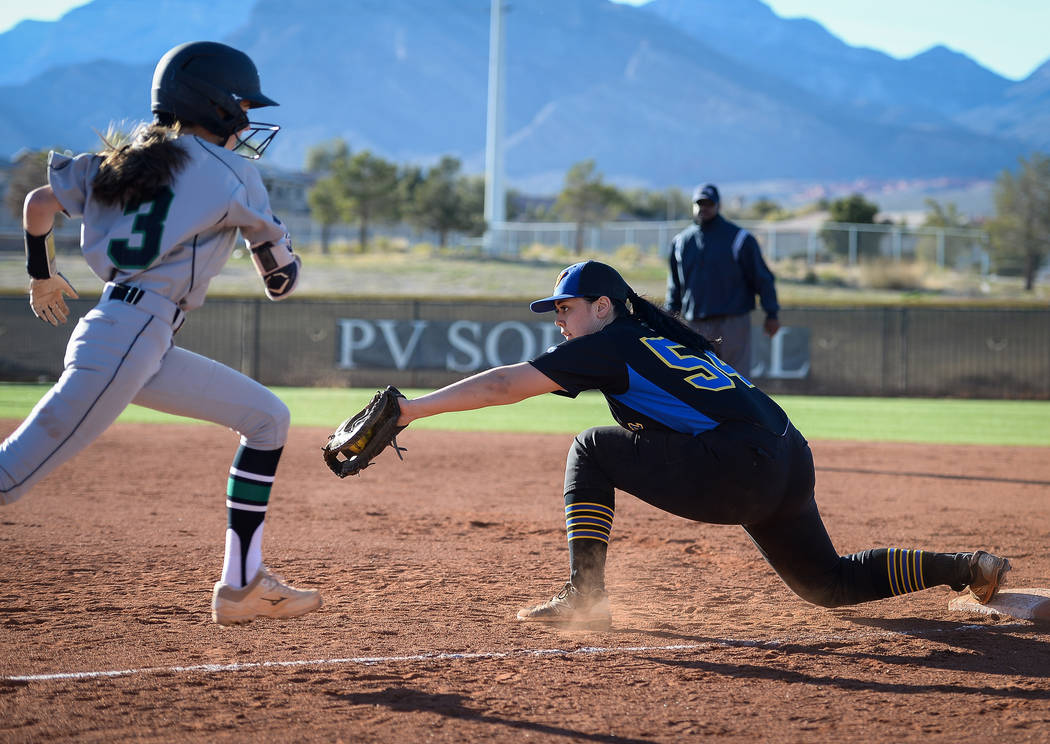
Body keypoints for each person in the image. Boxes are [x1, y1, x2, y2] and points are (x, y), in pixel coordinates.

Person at [391, 260, 1010, 626]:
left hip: (740, 464)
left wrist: (411, 410)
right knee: (827, 584)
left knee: (590, 449)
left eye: (567, 308)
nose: (559, 320)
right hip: (788, 452)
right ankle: (968, 568)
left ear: (603, 307)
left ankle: (587, 595)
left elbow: (504, 385)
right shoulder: (663, 341)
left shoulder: (608, 343)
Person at [0, 41, 321, 626]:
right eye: (242, 105)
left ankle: (242, 582)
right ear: (217, 105)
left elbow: (38, 204)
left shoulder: (120, 161)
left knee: (267, 419)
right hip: (128, 337)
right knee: (8, 479)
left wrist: (42, 275)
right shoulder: (235, 172)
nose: (248, 119)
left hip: (132, 335)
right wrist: (268, 233)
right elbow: (282, 283)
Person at [666, 183, 780, 376]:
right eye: (699, 203)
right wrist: (668, 319)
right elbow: (675, 287)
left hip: (732, 321)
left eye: (709, 203)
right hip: (695, 323)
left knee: (736, 379)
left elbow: (762, 278)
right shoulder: (681, 242)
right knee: (696, 379)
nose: (704, 208)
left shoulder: (739, 238)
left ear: (718, 206)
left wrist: (772, 313)